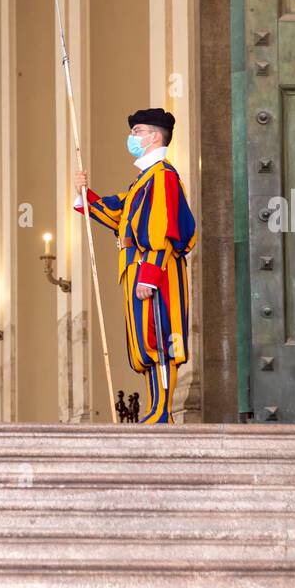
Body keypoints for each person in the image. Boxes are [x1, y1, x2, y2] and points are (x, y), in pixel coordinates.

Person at [74, 108, 197, 425]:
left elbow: (162, 230)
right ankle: (156, 408)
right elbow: (119, 214)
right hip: (139, 270)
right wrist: (85, 195)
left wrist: (151, 275)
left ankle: (162, 411)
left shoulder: (162, 177)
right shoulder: (143, 181)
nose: (132, 137)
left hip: (156, 271)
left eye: (138, 131)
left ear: (155, 136)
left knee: (160, 340)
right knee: (144, 344)